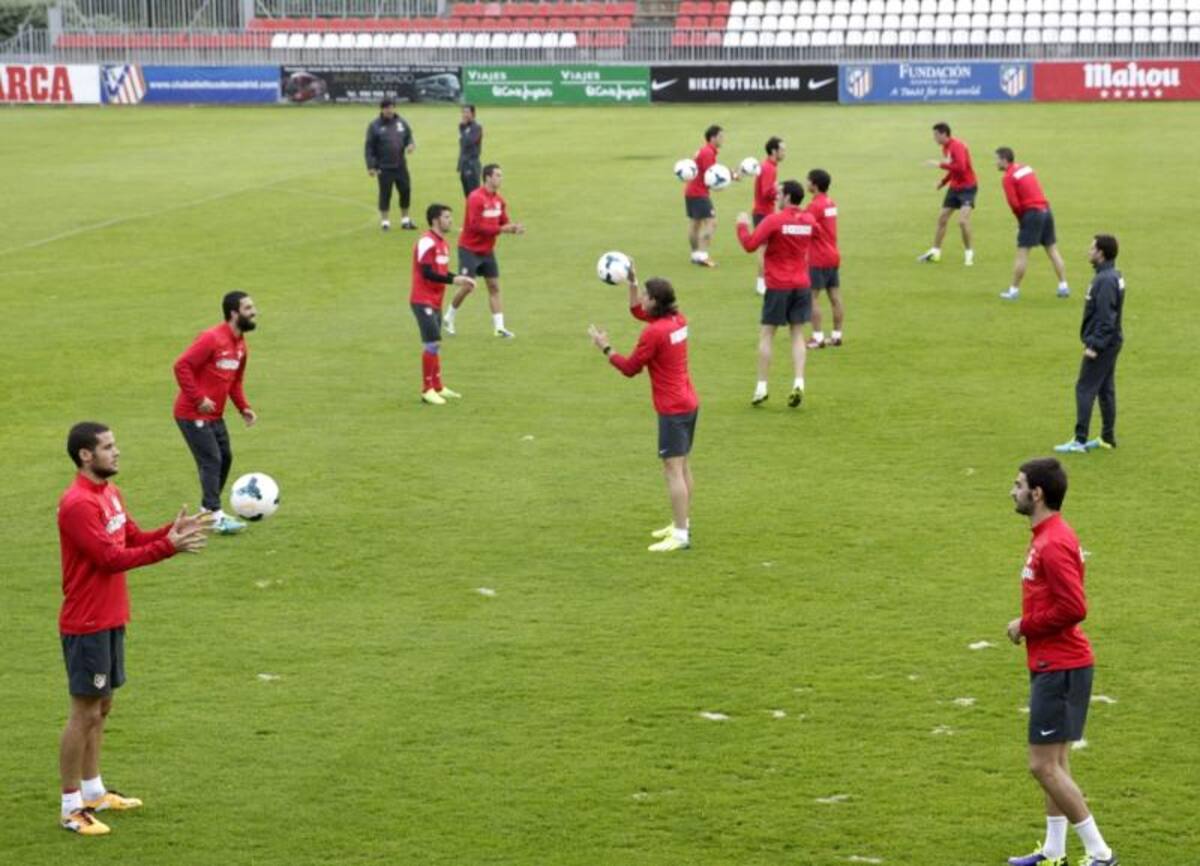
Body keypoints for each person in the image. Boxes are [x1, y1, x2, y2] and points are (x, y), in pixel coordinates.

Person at [56, 422, 210, 836]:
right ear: (86, 455)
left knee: (102, 707)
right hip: (86, 622)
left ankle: (94, 791)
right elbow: (110, 558)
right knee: (82, 712)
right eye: (108, 447)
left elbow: (132, 538)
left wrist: (171, 532)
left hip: (110, 618)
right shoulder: (77, 505)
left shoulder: (110, 495)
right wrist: (168, 549)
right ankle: (70, 807)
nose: (117, 452)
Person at [1005, 457, 1118, 866]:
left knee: (1042, 765)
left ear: (1037, 493)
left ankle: (1100, 853)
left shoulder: (1053, 543)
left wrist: (1026, 625)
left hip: (1062, 666)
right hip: (1055, 664)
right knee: (1056, 762)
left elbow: (1075, 607)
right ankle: (1054, 851)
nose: (1012, 491)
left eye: (1018, 485)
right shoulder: (1047, 535)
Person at [588, 265, 698, 553]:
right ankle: (682, 522)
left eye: (645, 295)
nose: (642, 300)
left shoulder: (654, 333)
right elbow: (638, 313)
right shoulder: (678, 321)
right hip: (688, 401)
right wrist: (633, 284)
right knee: (683, 465)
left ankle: (681, 534)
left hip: (672, 408)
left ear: (655, 302)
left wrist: (605, 348)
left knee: (672, 469)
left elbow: (630, 368)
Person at [173, 291, 259, 534]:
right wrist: (198, 399)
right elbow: (182, 366)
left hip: (214, 415)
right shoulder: (211, 338)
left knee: (225, 458)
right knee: (212, 460)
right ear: (234, 313)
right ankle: (214, 514)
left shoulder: (241, 345)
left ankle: (208, 511)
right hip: (191, 413)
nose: (254, 312)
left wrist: (244, 408)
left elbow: (235, 382)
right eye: (248, 308)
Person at [735, 179, 816, 408]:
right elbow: (817, 236)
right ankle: (799, 382)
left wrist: (741, 225)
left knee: (767, 334)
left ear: (789, 196)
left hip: (779, 284)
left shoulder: (774, 220)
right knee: (797, 334)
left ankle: (761, 387)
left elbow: (750, 245)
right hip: (801, 283)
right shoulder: (809, 220)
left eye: (780, 193)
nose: (776, 196)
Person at [1055, 235, 1125, 454]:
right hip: (1112, 341)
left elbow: (1106, 319)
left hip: (1103, 344)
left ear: (1101, 253)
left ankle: (1079, 440)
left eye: (1092, 248)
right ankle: (1107, 438)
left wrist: (1094, 345)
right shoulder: (1113, 275)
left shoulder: (1104, 281)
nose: (1088, 251)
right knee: (1105, 389)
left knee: (1085, 388)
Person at [445, 163, 525, 339]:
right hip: (469, 249)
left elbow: (503, 222)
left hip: (487, 250)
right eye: (497, 175)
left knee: (494, 287)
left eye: (501, 175)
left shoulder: (499, 201)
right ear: (487, 177)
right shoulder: (476, 198)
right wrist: (503, 229)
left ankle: (499, 328)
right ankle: (449, 317)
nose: (500, 178)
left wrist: (514, 228)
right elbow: (476, 226)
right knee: (467, 286)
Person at [411, 203, 476, 405]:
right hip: (422, 300)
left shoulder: (443, 244)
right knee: (433, 343)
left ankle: (438, 386)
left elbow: (440, 272)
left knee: (436, 344)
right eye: (446, 217)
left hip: (435, 300)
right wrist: (453, 281)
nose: (450, 220)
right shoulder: (426, 242)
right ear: (435, 220)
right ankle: (426, 389)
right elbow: (426, 272)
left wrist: (459, 278)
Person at [996, 147, 1070, 301]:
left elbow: (1014, 204)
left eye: (997, 159)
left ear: (1004, 160)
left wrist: (1021, 222)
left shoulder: (1008, 178)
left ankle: (1013, 291)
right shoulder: (1025, 167)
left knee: (1022, 253)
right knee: (1052, 250)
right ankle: (1063, 286)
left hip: (1032, 214)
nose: (995, 163)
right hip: (1046, 210)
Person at [918, 122, 977, 266]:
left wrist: (939, 164)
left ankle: (969, 253)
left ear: (943, 134)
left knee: (962, 221)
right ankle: (935, 253)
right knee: (942, 219)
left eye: (935, 135)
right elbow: (953, 169)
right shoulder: (945, 147)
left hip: (968, 188)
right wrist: (943, 182)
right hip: (954, 188)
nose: (934, 138)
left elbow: (961, 168)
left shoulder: (957, 146)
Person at [804, 168, 844, 349]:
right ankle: (836, 335)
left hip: (818, 256)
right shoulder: (831, 203)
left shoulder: (814, 206)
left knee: (811, 297)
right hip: (833, 255)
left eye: (808, 180)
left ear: (815, 184)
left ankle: (818, 337)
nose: (806, 183)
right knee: (835, 296)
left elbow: (806, 226)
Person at [364, 98, 416, 231]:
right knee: (385, 193)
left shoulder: (401, 122)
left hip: (400, 165)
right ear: (382, 109)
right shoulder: (375, 126)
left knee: (405, 191)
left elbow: (409, 136)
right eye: (386, 108)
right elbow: (369, 147)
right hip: (384, 167)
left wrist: (410, 144)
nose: (389, 110)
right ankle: (385, 222)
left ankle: (405, 220)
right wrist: (371, 166)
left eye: (391, 107)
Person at [684, 125, 724, 268]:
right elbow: (711, 175)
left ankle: (695, 255)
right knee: (711, 223)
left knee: (695, 224)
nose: (723, 139)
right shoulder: (708, 152)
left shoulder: (704, 150)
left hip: (691, 191)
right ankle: (702, 256)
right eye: (720, 136)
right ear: (712, 138)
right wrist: (724, 182)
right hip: (699, 193)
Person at [751, 136, 785, 295]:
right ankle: (760, 284)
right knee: (763, 249)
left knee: (770, 249)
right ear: (774, 151)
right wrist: (777, 191)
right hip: (762, 213)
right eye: (782, 149)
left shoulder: (769, 166)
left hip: (765, 212)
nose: (784, 152)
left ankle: (767, 281)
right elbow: (766, 193)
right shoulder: (769, 168)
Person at [457, 104, 483, 198]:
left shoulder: (476, 127)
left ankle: (476, 213)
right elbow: (463, 147)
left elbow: (470, 141)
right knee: (467, 195)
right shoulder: (462, 126)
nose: (464, 115)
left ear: (473, 114)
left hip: (472, 164)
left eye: (467, 112)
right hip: (464, 164)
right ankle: (469, 213)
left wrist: (463, 129)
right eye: (463, 112)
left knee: (474, 195)